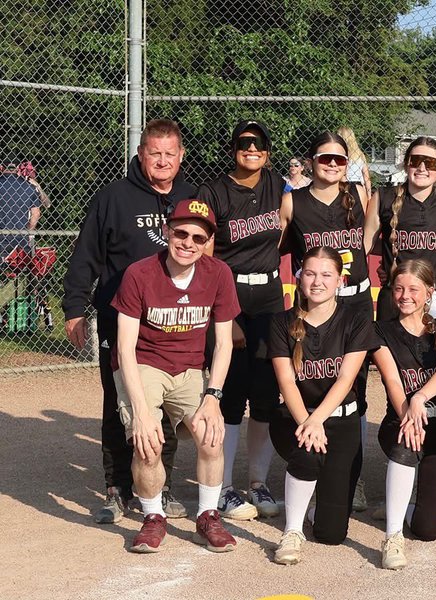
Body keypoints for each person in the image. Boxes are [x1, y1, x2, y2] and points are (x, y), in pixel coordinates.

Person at [63, 119, 191, 524]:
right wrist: (74, 308)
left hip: (173, 322)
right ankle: (117, 488)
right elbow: (86, 257)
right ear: (141, 154)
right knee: (120, 406)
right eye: (155, 152)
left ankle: (161, 485)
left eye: (170, 153)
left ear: (181, 156)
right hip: (121, 320)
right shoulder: (113, 198)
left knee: (167, 405)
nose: (163, 160)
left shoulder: (191, 197)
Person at [113, 199, 240, 553]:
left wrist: (213, 398)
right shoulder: (140, 273)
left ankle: (208, 516)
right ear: (167, 231)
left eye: (197, 237)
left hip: (189, 367)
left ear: (208, 241)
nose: (187, 243)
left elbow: (224, 345)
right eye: (180, 233)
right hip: (144, 364)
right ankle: (153, 517)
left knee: (211, 436)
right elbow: (124, 349)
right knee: (148, 442)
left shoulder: (218, 274)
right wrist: (140, 411)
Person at [280, 131, 379, 511]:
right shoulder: (293, 201)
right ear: (311, 161)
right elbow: (276, 245)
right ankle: (309, 458)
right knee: (311, 377)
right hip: (315, 305)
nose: (333, 165)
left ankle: (350, 476)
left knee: (354, 389)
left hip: (354, 301)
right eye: (325, 159)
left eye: (340, 159)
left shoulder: (358, 194)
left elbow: (370, 237)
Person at [197, 120, 286, 521]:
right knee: (231, 395)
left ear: (268, 151)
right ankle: (225, 487)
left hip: (268, 296)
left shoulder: (276, 183)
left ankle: (258, 481)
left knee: (266, 394)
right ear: (233, 148)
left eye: (259, 144)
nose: (252, 149)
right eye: (244, 143)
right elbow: (207, 256)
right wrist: (224, 314)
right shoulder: (214, 190)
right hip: (230, 293)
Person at [268, 246, 379, 564]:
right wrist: (308, 423)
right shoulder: (281, 321)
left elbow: (346, 379)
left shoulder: (356, 319)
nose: (318, 281)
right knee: (308, 452)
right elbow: (287, 382)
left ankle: (314, 503)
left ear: (340, 281)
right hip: (295, 418)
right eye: (311, 273)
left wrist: (318, 420)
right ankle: (291, 531)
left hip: (340, 424)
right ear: (300, 278)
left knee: (332, 535)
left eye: (326, 275)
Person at [372, 259, 436, 569]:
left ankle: (401, 505)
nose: (405, 296)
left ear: (429, 292)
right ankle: (393, 536)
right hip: (400, 418)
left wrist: (420, 398)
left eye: (413, 289)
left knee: (428, 529)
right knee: (405, 444)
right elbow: (393, 382)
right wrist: (408, 414)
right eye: (398, 289)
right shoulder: (381, 330)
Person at [376, 137, 436, 321]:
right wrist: (387, 262)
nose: (422, 168)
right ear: (406, 164)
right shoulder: (384, 197)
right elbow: (367, 242)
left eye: (430, 163)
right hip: (398, 294)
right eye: (416, 161)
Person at [0, 161, 41, 257]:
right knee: (19, 268)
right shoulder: (29, 187)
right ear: (18, 168)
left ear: (1, 167)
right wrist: (27, 231)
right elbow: (36, 214)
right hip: (21, 241)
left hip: (1, 238)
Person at [337, 126, 373, 192]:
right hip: (359, 186)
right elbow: (366, 178)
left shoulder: (341, 154)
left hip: (345, 185)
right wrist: (369, 196)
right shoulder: (360, 154)